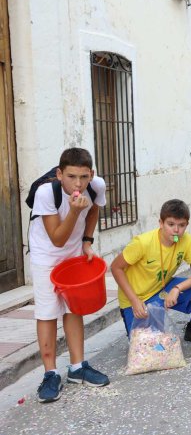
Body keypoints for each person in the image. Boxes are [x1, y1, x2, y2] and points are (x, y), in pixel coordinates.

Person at [30, 148, 110, 403]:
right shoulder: (46, 193)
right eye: (72, 176)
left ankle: (77, 367)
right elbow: (56, 239)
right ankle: (50, 373)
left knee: (73, 307)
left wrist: (87, 241)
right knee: (47, 312)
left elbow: (95, 210)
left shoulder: (96, 186)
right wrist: (75, 211)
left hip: (74, 251)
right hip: (46, 255)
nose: (78, 184)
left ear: (92, 174)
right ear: (59, 174)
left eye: (84, 177)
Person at [111, 200, 191, 362]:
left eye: (181, 225)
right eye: (171, 224)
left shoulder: (185, 240)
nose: (176, 230)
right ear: (161, 223)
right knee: (146, 353)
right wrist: (134, 301)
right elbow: (116, 268)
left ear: (187, 225)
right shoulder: (142, 242)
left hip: (163, 290)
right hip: (137, 299)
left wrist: (177, 288)